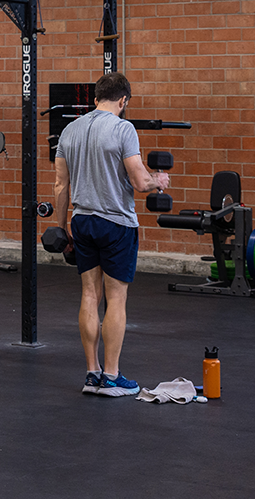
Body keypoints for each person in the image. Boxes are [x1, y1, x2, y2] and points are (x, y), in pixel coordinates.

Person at [51, 72, 169, 397]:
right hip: (116, 223)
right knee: (116, 297)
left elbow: (61, 185)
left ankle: (92, 374)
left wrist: (63, 227)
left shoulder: (70, 130)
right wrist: (157, 180)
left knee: (90, 295)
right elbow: (138, 181)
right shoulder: (122, 128)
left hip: (82, 221)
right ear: (124, 100)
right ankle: (113, 377)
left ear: (95, 98)